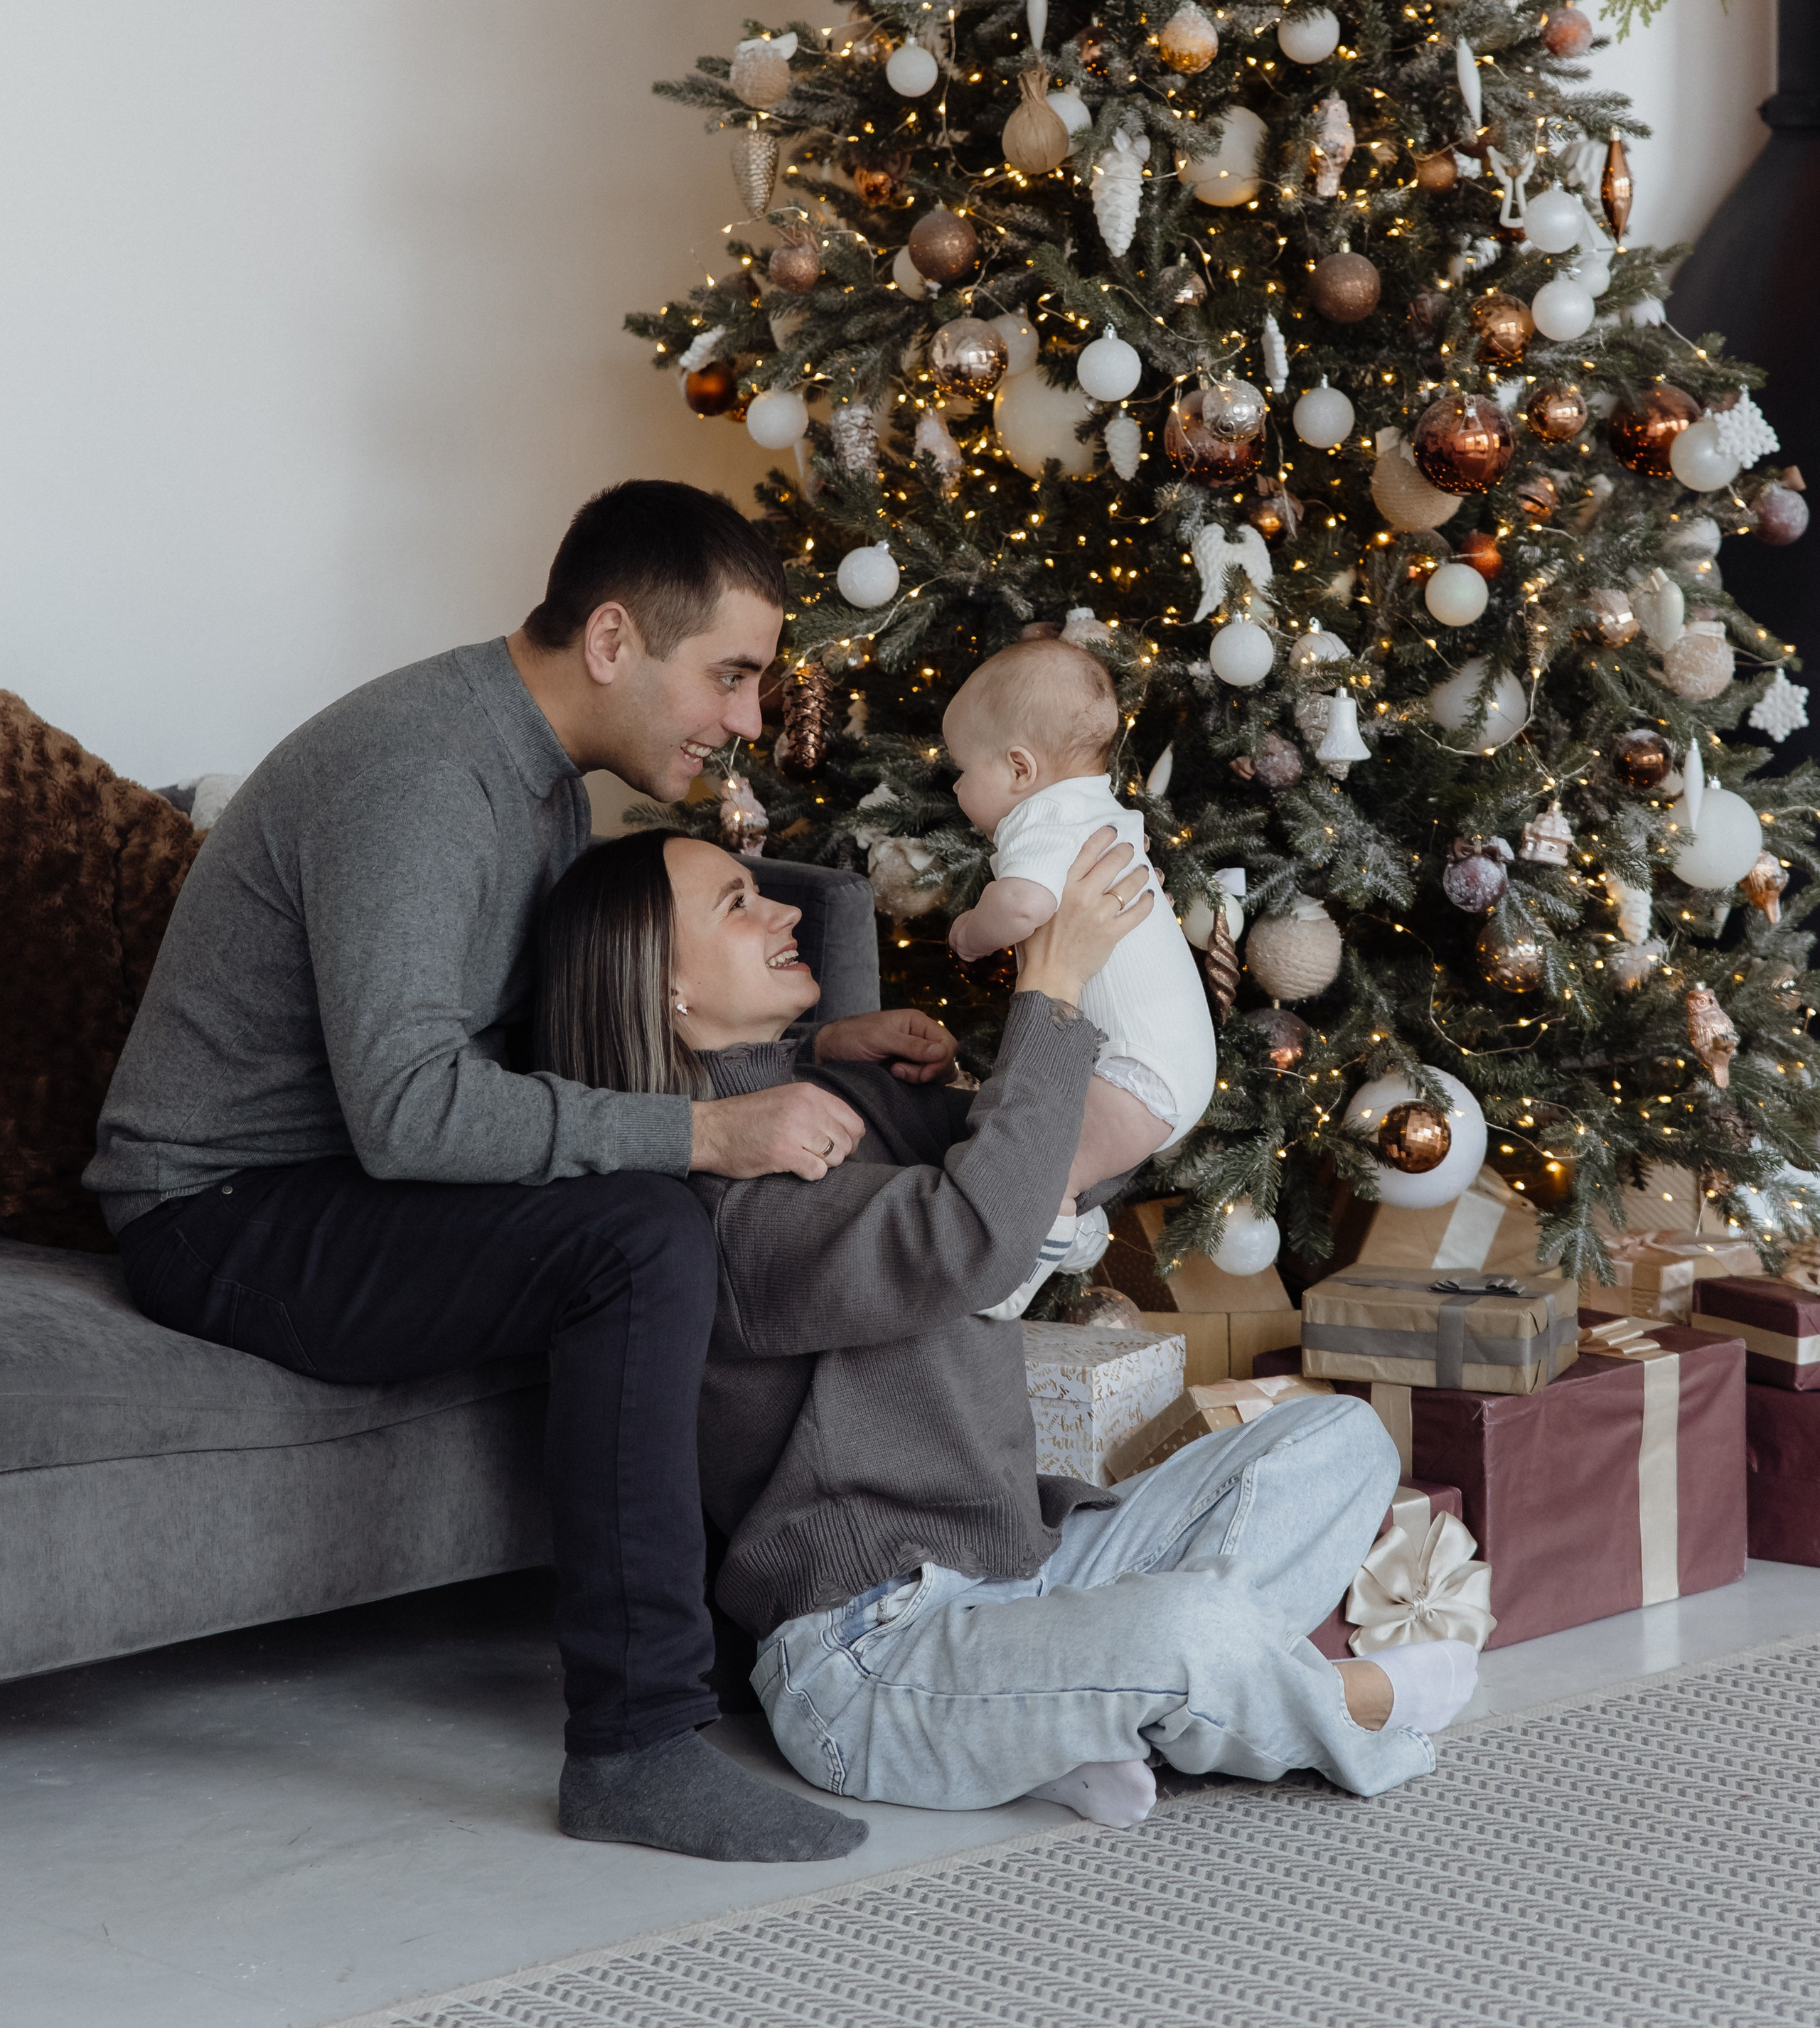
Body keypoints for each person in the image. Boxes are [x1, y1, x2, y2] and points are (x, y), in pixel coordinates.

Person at [87, 479, 956, 1865]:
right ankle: (633, 1743)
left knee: (663, 1212)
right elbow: (414, 1114)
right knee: (637, 1233)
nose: (747, 718)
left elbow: (567, 1033)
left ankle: (763, 1616)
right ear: (614, 641)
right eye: (729, 675)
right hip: (227, 1209)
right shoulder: (427, 776)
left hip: (346, 1182)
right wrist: (702, 1131)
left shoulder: (544, 781)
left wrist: (793, 1037)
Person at [535, 825, 1477, 1839]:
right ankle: (1330, 1708)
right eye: (736, 904)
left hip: (1021, 1572)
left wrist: (866, 1048)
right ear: (663, 986)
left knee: (1339, 1441)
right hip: (871, 1660)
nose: (786, 911)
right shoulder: (721, 1209)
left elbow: (1064, 1166)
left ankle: (1084, 1718)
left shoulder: (836, 1092)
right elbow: (980, 1232)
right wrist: (1052, 983)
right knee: (1192, 1626)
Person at [942, 637, 1218, 1319]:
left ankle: (1012, 1281)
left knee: (1047, 1169)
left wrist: (968, 932)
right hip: (1172, 1068)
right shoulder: (1104, 810)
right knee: (1068, 1150)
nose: (953, 787)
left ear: (1018, 767)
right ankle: (1079, 1229)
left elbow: (1027, 904)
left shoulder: (1040, 818)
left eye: (960, 769)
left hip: (1137, 1073)